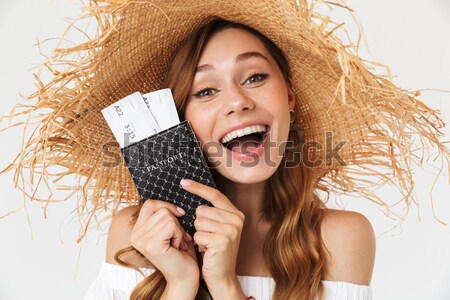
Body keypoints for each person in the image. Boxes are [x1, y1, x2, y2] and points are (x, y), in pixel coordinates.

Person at [3, 1, 449, 300]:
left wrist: (225, 284)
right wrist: (180, 282)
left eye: (255, 77)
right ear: (181, 125)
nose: (237, 100)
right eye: (205, 91)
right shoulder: (137, 236)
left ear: (289, 96)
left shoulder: (338, 239)